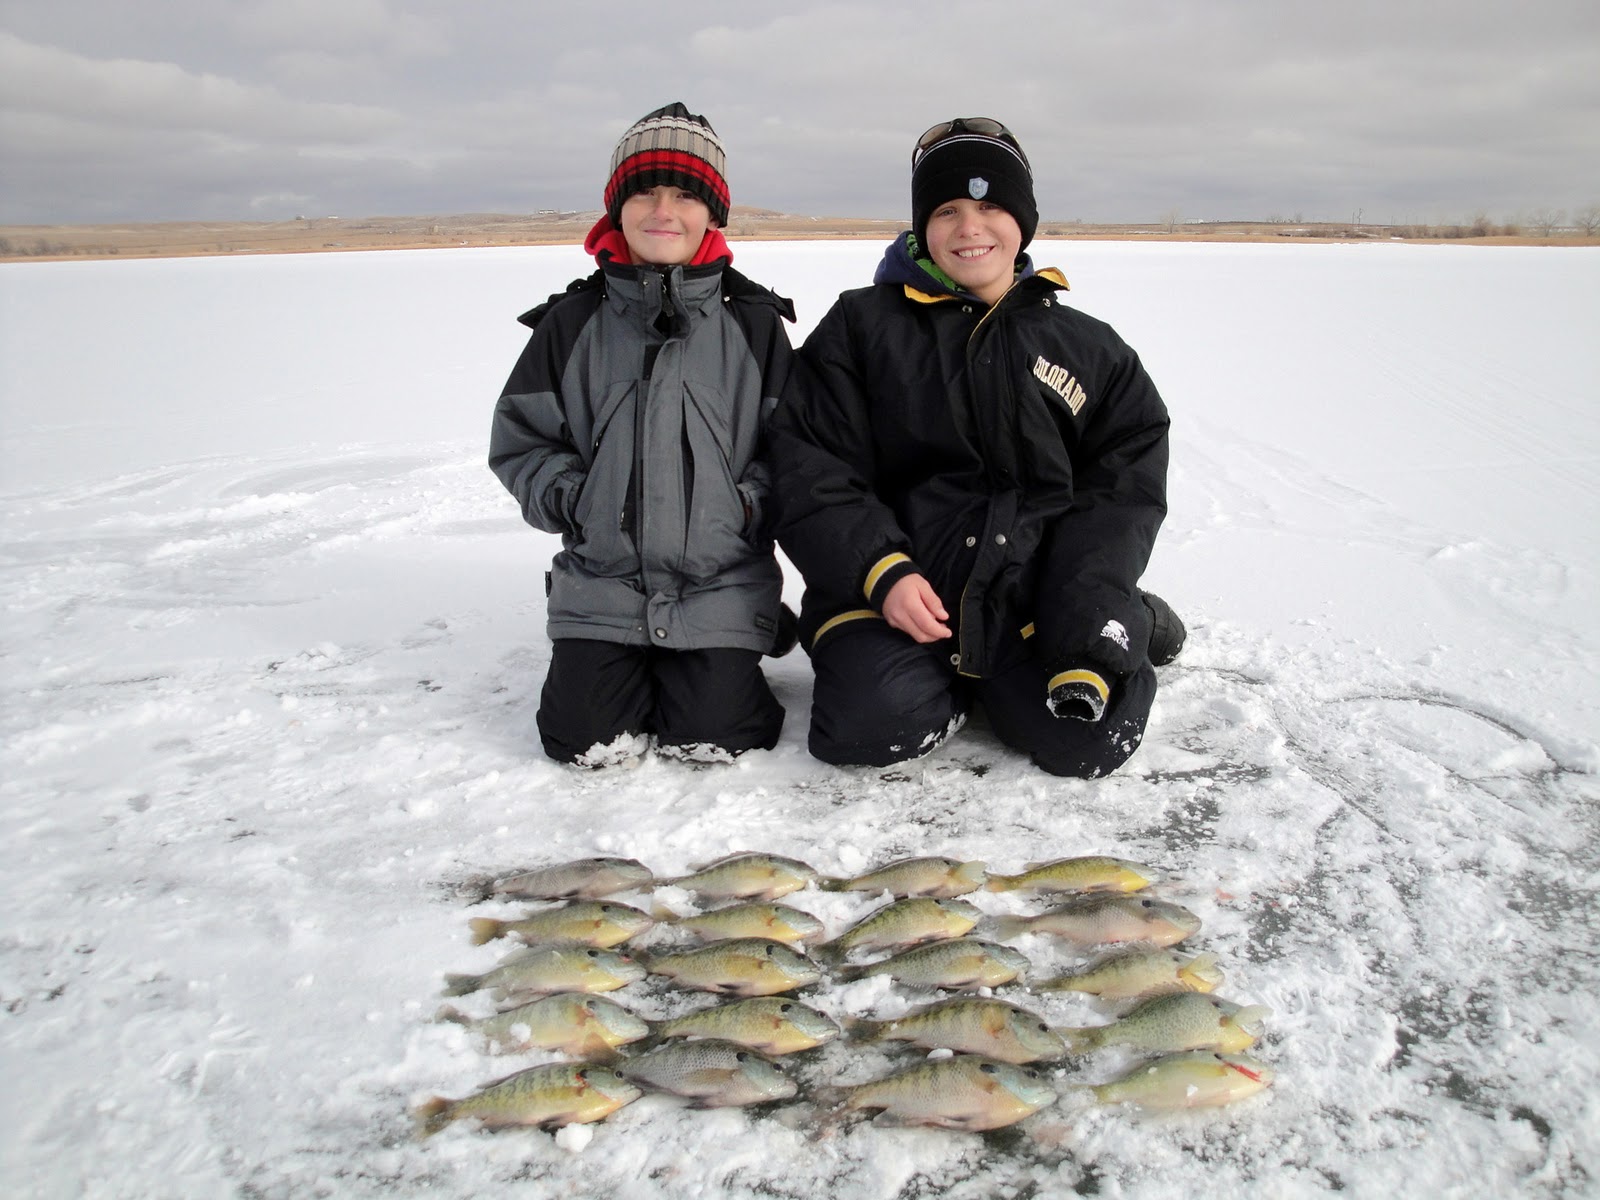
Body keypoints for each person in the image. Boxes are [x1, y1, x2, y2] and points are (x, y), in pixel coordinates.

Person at [769, 116, 1185, 778]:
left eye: (992, 206)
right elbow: (810, 465)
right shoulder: (860, 327)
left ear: (1023, 221)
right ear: (921, 225)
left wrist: (1087, 601)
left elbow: (1120, 493)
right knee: (867, 731)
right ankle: (959, 677)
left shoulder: (1090, 349)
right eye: (948, 209)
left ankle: (1119, 617)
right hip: (894, 593)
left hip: (1034, 593)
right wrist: (883, 570)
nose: (970, 228)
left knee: (1086, 739)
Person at [489, 102, 795, 766]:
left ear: (712, 211)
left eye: (685, 194)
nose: (664, 210)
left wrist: (745, 506)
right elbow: (521, 441)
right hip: (601, 584)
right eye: (645, 192)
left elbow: (795, 450)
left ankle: (734, 652)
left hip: (720, 582)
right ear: (617, 208)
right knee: (581, 742)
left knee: (718, 735)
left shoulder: (755, 327)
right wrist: (575, 499)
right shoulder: (569, 325)